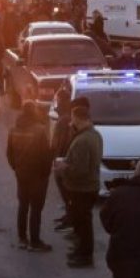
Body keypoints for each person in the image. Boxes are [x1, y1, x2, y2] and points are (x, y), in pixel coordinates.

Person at [54, 96, 102, 268]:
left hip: (82, 188)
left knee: (83, 224)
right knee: (83, 222)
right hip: (90, 186)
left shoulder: (82, 140)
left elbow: (80, 170)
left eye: (73, 119)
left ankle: (84, 255)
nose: (71, 122)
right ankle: (81, 251)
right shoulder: (94, 134)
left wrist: (63, 167)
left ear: (79, 119)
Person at [7, 102, 53, 251]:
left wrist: (16, 167)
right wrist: (46, 173)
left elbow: (9, 154)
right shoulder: (40, 131)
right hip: (38, 176)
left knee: (23, 206)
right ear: (34, 112)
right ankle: (35, 241)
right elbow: (46, 156)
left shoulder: (13, 130)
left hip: (21, 174)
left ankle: (22, 238)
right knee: (36, 209)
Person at [50, 87, 75, 232]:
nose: (57, 101)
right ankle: (68, 215)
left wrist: (57, 156)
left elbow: (62, 141)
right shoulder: (65, 114)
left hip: (62, 158)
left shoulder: (65, 118)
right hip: (61, 157)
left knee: (66, 191)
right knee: (65, 191)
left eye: (58, 99)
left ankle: (70, 218)